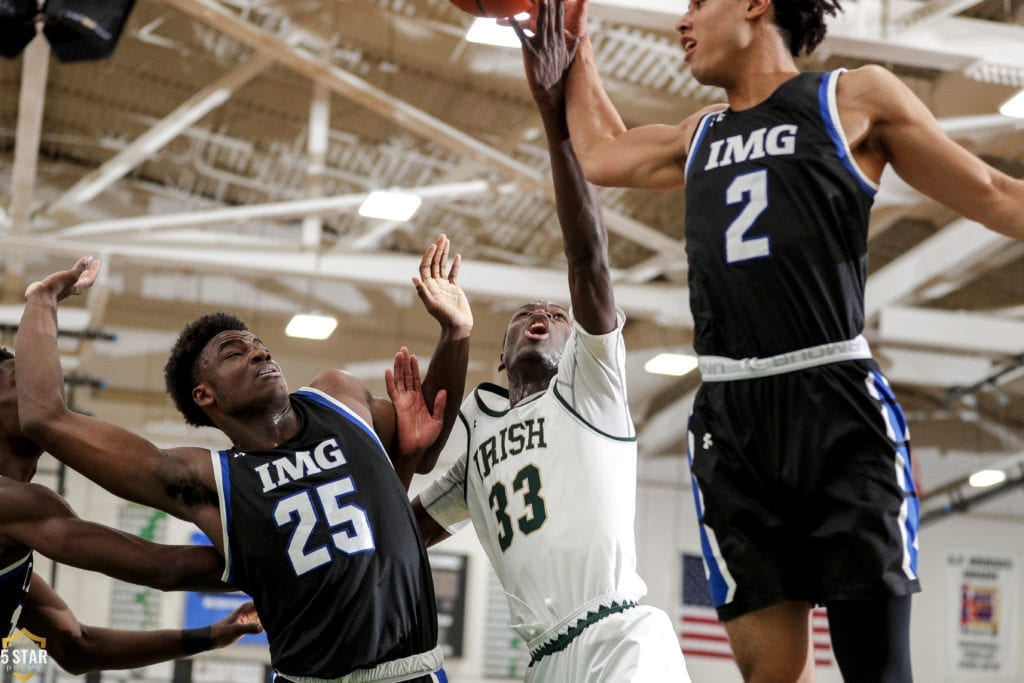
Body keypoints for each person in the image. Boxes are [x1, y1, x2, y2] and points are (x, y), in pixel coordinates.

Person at [533, 0, 1024, 680]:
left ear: (759, 4)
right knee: (773, 673)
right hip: (732, 420)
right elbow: (600, 152)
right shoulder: (699, 133)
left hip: (836, 403)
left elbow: (996, 191)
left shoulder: (852, 97)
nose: (683, 20)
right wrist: (576, 47)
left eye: (699, 2)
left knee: (875, 667)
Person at [16, 234, 473, 682]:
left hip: (412, 670)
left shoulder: (339, 396)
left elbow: (427, 446)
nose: (258, 351)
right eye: (235, 352)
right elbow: (47, 420)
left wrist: (455, 333)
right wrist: (43, 298)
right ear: (205, 394)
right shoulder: (207, 479)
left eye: (258, 344)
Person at [412, 5, 691, 681]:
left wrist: (554, 115)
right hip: (542, 659)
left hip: (621, 637)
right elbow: (405, 528)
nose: (542, 315)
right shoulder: (477, 431)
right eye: (525, 315)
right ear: (502, 356)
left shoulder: (593, 384)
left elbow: (588, 260)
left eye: (555, 316)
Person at [0, 347, 262, 674]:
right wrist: (284, 561)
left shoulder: (14, 545)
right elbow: (165, 568)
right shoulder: (13, 505)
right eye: (22, 381)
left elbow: (77, 646)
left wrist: (211, 636)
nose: (44, 391)